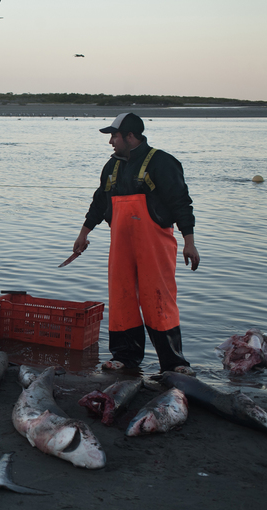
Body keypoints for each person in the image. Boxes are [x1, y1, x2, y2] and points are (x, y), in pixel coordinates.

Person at [72, 112, 199, 375]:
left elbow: (181, 202)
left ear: (130, 136)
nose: (111, 142)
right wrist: (83, 233)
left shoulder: (162, 162)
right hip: (121, 244)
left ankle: (173, 364)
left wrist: (189, 241)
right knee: (121, 298)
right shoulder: (112, 167)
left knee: (158, 298)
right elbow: (99, 202)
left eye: (114, 136)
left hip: (155, 244)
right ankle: (125, 357)